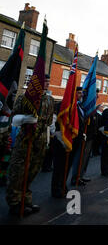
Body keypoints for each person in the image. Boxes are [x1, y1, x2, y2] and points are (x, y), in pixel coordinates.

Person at [7, 74, 54, 216]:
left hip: (39, 141)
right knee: (18, 172)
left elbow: (49, 120)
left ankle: (26, 200)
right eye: (44, 81)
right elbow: (13, 118)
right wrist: (25, 119)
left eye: (48, 81)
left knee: (33, 171)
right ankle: (14, 203)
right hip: (25, 139)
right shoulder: (24, 98)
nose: (47, 84)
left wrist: (48, 137)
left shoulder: (49, 100)